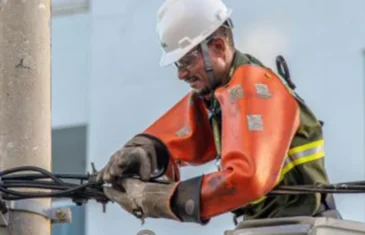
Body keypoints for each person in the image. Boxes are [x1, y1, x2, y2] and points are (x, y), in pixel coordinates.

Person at [97, 0, 339, 226]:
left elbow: (247, 179)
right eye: (177, 64)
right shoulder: (224, 92)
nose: (180, 74)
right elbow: (186, 130)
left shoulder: (255, 89)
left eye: (185, 61)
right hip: (275, 224)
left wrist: (160, 199)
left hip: (299, 223)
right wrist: (144, 152)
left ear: (218, 47)